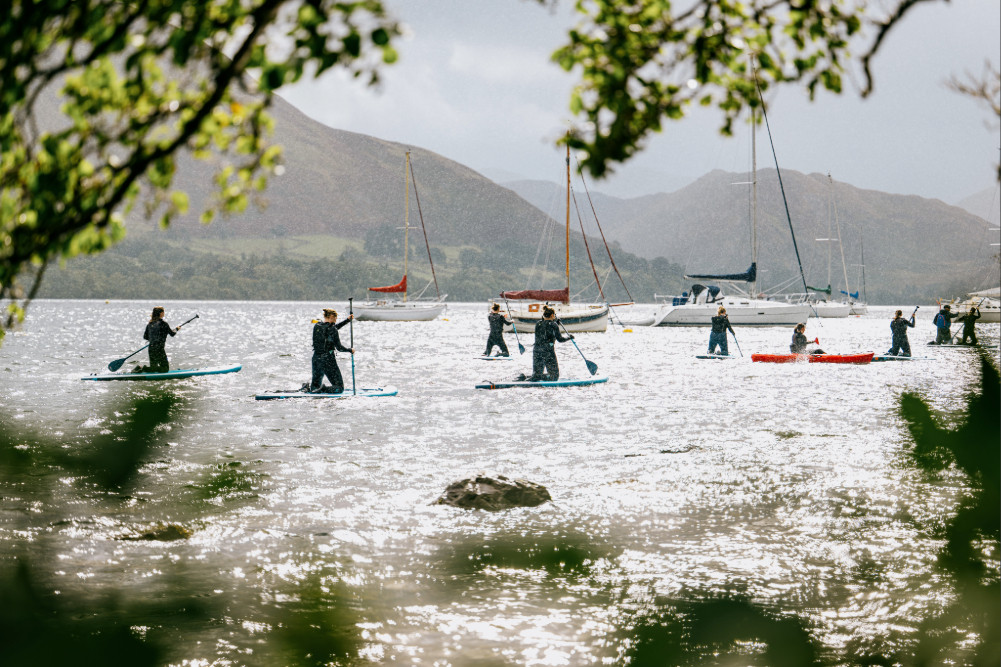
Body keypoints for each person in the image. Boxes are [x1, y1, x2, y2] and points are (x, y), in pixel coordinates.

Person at [309, 308, 354, 393]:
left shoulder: (317, 326)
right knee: (339, 388)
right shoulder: (332, 329)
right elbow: (339, 348)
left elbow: (332, 329)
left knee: (315, 387)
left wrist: (347, 320)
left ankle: (309, 388)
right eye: (335, 318)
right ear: (332, 317)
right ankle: (324, 389)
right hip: (328, 360)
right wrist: (350, 350)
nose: (336, 321)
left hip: (316, 359)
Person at [525, 306, 572, 381]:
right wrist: (569, 337)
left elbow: (546, 326)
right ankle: (537, 377)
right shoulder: (554, 325)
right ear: (552, 315)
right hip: (548, 351)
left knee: (536, 374)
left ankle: (529, 377)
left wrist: (555, 322)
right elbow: (560, 339)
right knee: (554, 377)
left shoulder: (538, 324)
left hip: (537, 350)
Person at [136, 306, 182, 372]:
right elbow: (172, 334)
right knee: (165, 369)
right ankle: (142, 368)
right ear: (161, 313)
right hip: (159, 349)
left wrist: (153, 338)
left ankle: (140, 368)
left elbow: (145, 337)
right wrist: (177, 329)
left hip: (151, 348)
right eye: (163, 312)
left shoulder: (150, 324)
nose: (164, 313)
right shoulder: (164, 324)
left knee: (153, 368)